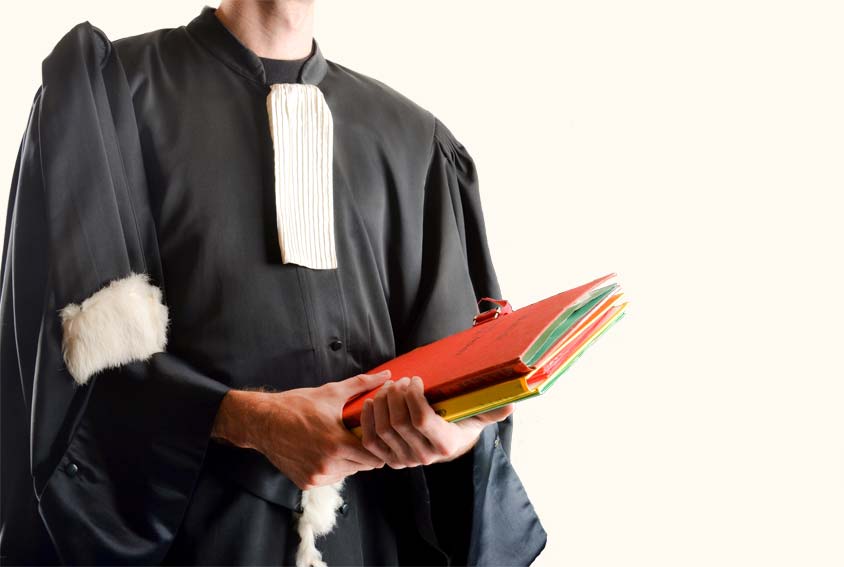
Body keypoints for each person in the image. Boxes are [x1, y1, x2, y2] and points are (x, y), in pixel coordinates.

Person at [0, 1, 547, 565]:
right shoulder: (107, 101)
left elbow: (456, 397)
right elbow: (57, 384)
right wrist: (250, 422)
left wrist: (456, 436)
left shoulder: (415, 142)